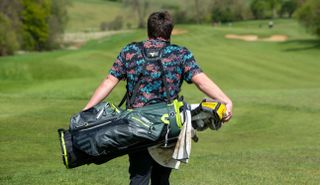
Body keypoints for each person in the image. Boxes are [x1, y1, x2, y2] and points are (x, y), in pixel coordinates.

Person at [83, 11, 233, 185]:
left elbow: (109, 81)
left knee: (139, 176)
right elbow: (201, 82)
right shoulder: (180, 53)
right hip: (168, 125)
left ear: (149, 30)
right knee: (162, 178)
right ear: (170, 31)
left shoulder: (130, 51)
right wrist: (225, 100)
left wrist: (87, 111)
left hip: (136, 124)